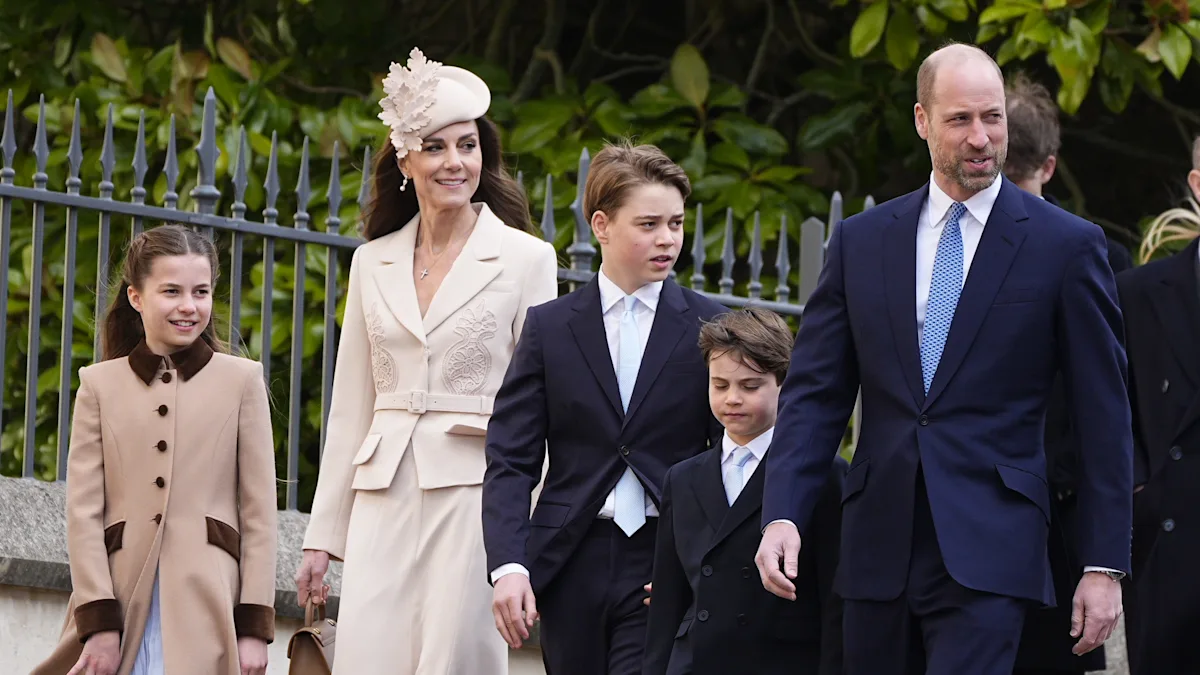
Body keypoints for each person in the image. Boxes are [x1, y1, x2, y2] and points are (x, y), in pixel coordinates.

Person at [754, 42, 1132, 675]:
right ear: (923, 121)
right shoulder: (862, 242)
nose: (981, 137)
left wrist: (1103, 565)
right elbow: (816, 393)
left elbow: (1104, 415)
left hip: (993, 550)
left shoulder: (1065, 246)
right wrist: (784, 511)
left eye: (993, 118)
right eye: (961, 120)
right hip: (877, 545)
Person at [293, 47, 559, 674]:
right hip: (380, 493)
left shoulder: (526, 258)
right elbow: (351, 402)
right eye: (436, 147)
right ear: (406, 161)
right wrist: (321, 538)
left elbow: (546, 402)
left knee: (455, 659)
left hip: (477, 492)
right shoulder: (372, 260)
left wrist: (532, 530)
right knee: (369, 657)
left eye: (468, 146)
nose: (455, 162)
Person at [482, 141, 727, 675]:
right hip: (570, 561)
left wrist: (696, 562)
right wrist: (508, 567)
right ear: (601, 225)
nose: (668, 239)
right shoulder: (549, 328)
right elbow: (511, 459)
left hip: (663, 558)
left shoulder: (712, 327)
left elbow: (730, 456)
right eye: (648, 224)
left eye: (677, 224)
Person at [33, 224, 278, 675]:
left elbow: (260, 514)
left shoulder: (241, 381)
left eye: (201, 291)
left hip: (209, 604)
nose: (189, 306)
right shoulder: (99, 385)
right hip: (121, 599)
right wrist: (99, 621)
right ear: (136, 297)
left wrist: (253, 626)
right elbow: (84, 514)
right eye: (171, 291)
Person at [1002, 71, 1136, 675]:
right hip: (1059, 501)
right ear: (1050, 165)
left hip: (1053, 509)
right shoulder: (1105, 257)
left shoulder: (1093, 256)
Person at [642, 308, 845, 675]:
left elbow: (834, 597)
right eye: (720, 385)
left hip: (782, 662)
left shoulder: (823, 475)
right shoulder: (683, 478)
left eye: (750, 386)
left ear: (785, 384)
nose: (732, 398)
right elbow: (668, 602)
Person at [1117, 135, 1200, 675]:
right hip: (1168, 561)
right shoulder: (1137, 294)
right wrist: (1141, 489)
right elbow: (1104, 415)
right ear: (1198, 186)